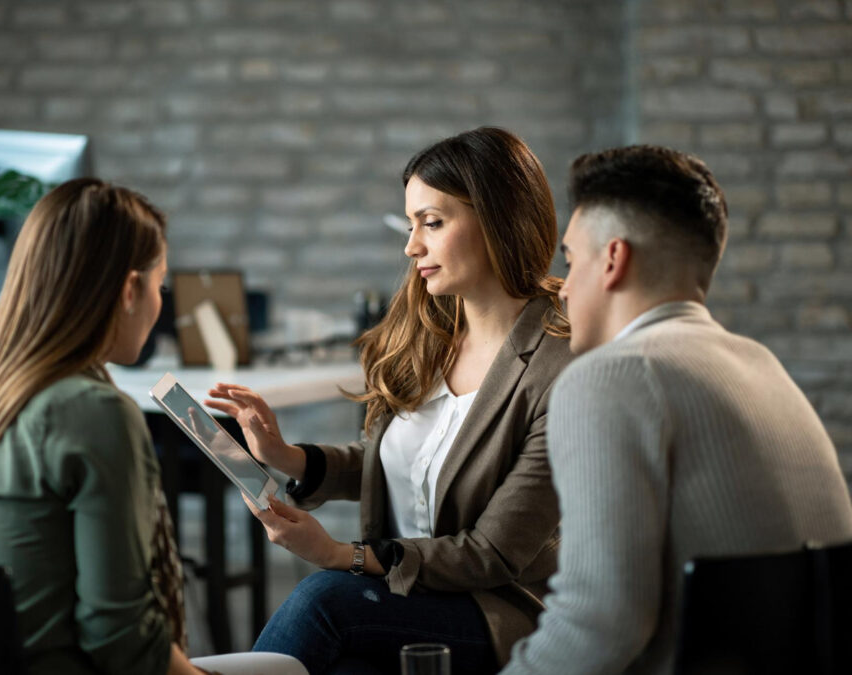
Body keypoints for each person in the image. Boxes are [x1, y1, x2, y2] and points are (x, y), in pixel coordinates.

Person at [206, 127, 574, 674]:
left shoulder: (559, 365)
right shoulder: (429, 335)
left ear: (498, 218)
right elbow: (404, 467)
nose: (411, 246)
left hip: (497, 607)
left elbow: (492, 553)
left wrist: (339, 555)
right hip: (405, 597)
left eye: (432, 222)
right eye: (410, 225)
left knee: (323, 598)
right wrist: (285, 457)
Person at [0, 179, 305, 675]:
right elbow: (121, 641)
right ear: (128, 289)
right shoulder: (96, 412)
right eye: (160, 285)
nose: (160, 304)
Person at [500, 145, 852, 674]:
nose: (565, 289)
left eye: (570, 262)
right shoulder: (761, 366)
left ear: (614, 260)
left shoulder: (610, 377)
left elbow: (599, 625)